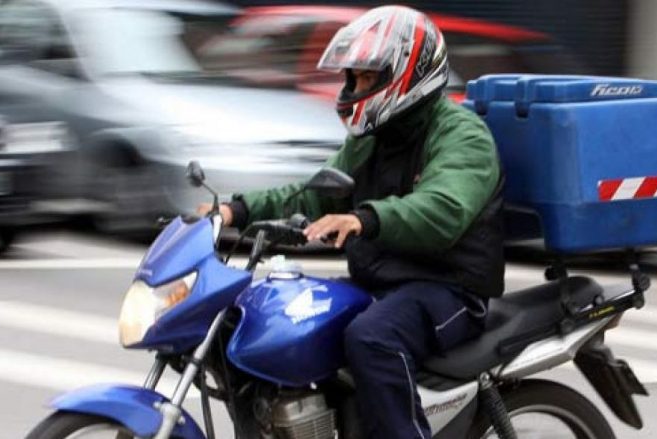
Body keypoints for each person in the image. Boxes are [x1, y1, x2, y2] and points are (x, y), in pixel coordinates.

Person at [198, 6, 504, 438]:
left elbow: (444, 208)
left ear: (406, 75)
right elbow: (314, 192)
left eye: (365, 78)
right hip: (383, 282)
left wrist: (366, 219)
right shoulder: (371, 140)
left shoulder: (461, 135)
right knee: (252, 319)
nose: (353, 89)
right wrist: (236, 210)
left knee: (371, 338)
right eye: (352, 78)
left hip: (449, 290)